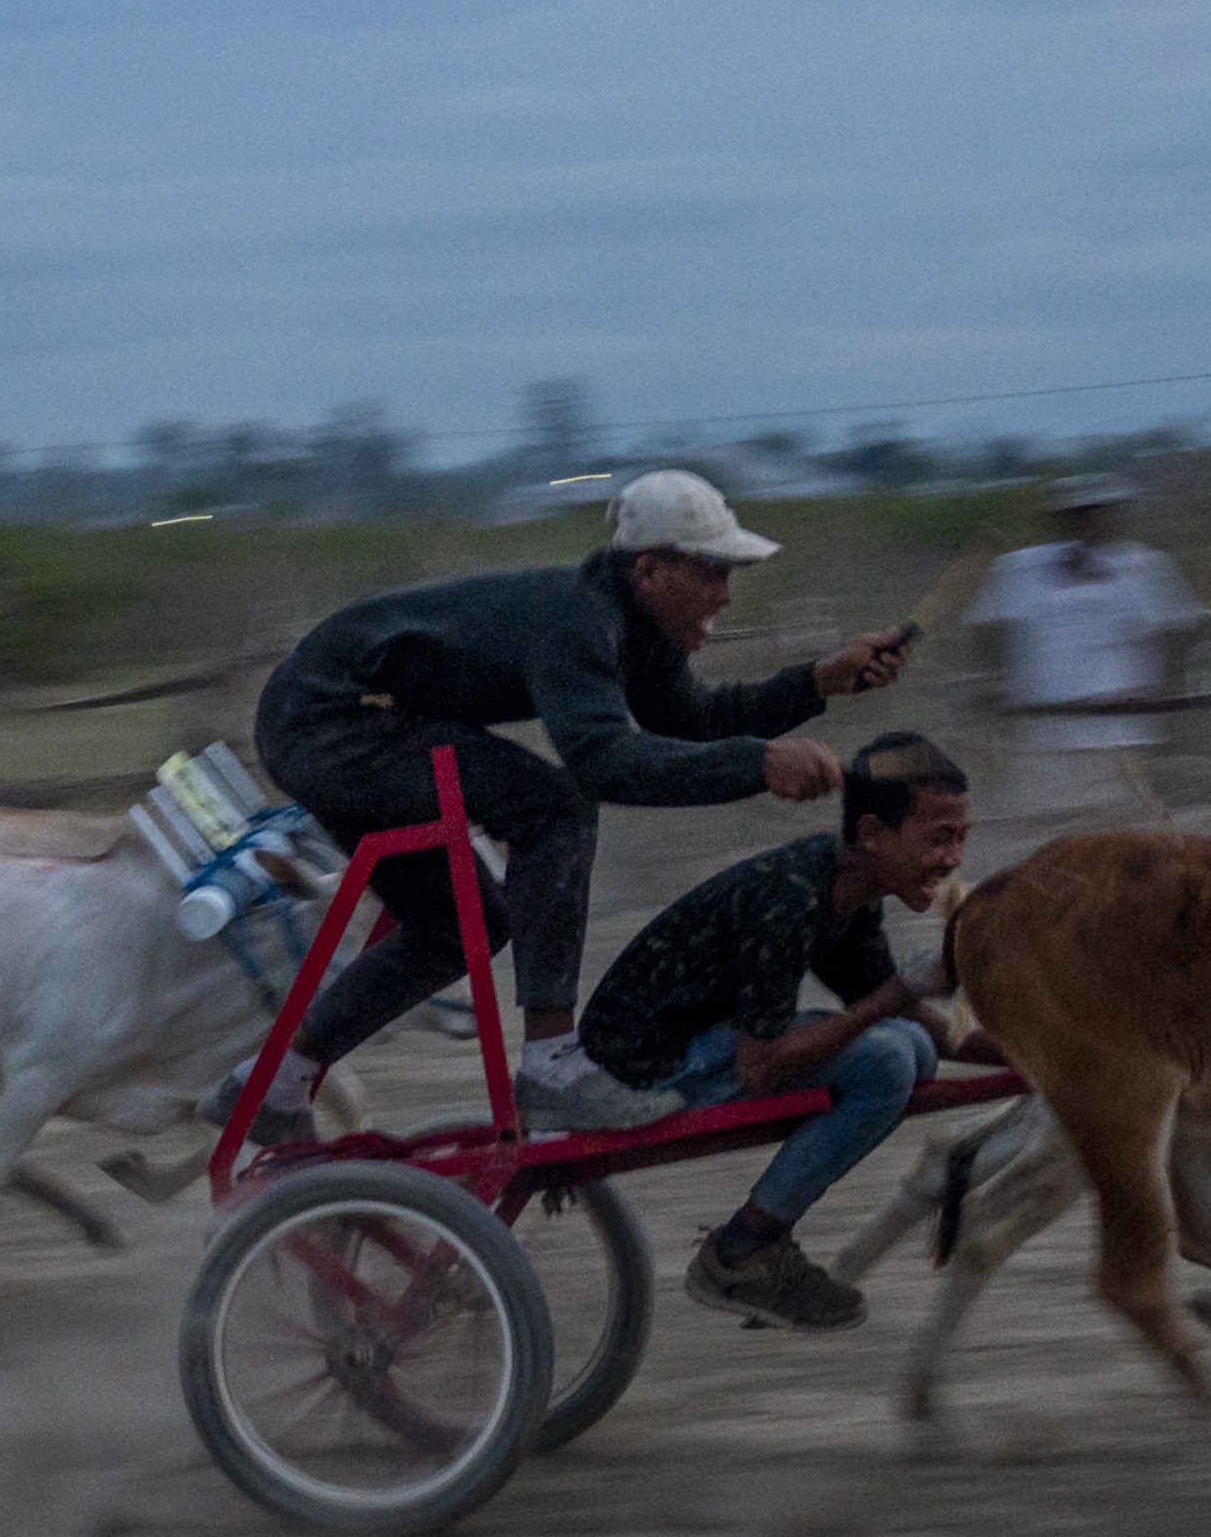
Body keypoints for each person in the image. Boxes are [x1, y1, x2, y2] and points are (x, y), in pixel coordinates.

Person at [236, 469, 913, 1137]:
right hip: (326, 721)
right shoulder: (579, 621)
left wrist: (822, 680)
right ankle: (553, 1066)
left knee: (463, 924)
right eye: (712, 571)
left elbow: (701, 718)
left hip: (325, 721)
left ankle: (274, 1086)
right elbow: (605, 762)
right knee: (556, 805)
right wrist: (759, 764)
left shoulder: (633, 627)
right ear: (649, 569)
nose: (726, 594)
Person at [573, 732, 993, 1330]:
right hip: (640, 1066)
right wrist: (895, 996)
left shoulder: (852, 889)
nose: (953, 859)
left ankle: (754, 1242)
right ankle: (742, 1251)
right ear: (873, 835)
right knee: (890, 1062)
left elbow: (909, 1017)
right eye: (937, 838)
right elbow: (761, 1065)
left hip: (695, 1043)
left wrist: (1037, 1061)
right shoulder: (793, 897)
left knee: (915, 1049)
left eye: (960, 838)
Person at [960, 474, 1208, 872]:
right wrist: (993, 682)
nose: (1087, 524)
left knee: (1124, 841)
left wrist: (1163, 690)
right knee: (1050, 841)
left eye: (1097, 514)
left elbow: (1182, 630)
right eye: (1077, 515)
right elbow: (986, 629)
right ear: (1061, 519)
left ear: (1111, 518)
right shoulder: (1022, 570)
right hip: (1046, 735)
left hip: (1121, 734)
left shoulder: (1143, 567)